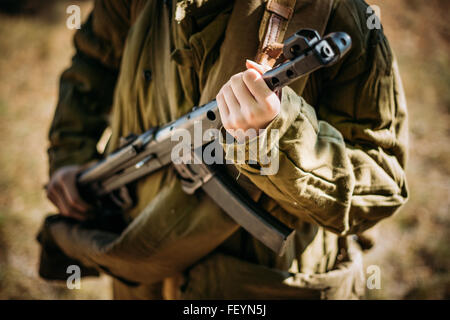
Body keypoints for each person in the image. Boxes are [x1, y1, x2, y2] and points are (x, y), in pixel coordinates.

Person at [42, 0, 408, 299]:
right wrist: (70, 156)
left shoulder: (339, 13)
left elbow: (381, 186)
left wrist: (277, 135)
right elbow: (92, 65)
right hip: (138, 276)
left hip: (263, 290)